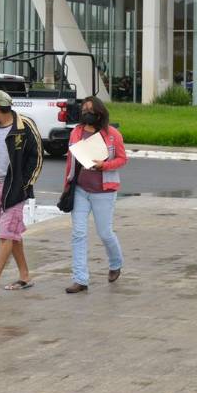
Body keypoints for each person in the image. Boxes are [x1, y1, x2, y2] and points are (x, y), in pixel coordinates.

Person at [0, 90, 43, 297]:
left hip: (14, 189)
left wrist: (24, 186)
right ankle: (25, 276)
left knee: (5, 234)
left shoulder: (24, 126)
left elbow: (37, 158)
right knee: (11, 234)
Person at [61, 96, 129, 293]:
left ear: (99, 113)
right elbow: (70, 161)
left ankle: (116, 263)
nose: (86, 113)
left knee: (105, 233)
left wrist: (104, 165)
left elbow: (122, 159)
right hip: (80, 189)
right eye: (84, 110)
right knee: (78, 233)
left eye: (90, 110)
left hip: (104, 191)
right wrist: (67, 186)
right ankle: (80, 279)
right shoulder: (76, 132)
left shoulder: (112, 135)